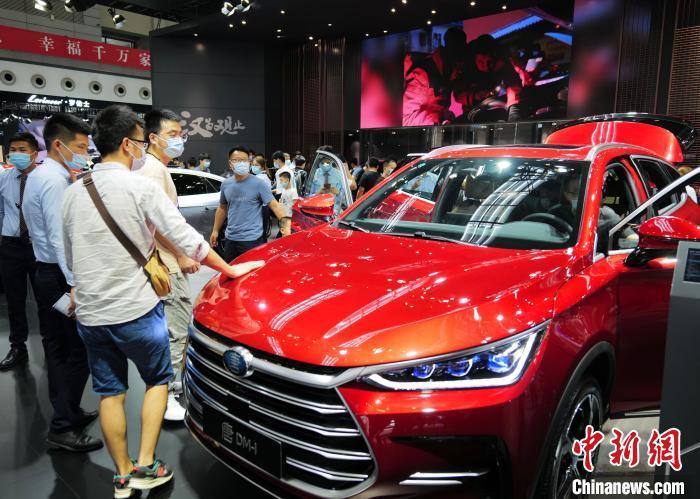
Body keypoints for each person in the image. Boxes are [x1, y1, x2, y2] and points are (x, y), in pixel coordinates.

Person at [62, 105, 265, 498]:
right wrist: (230, 268)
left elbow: (70, 256)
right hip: (137, 310)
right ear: (127, 144)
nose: (143, 148)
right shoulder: (140, 187)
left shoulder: (74, 191)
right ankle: (146, 464)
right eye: (141, 141)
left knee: (109, 392)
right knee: (156, 381)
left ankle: (122, 476)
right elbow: (185, 237)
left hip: (91, 313)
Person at [22, 113, 102, 452]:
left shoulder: (41, 174)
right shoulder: (55, 181)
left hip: (46, 271)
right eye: (80, 147)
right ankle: (63, 427)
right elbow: (60, 238)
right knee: (77, 351)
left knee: (58, 348)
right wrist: (74, 285)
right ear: (59, 145)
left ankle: (67, 412)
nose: (85, 154)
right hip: (59, 275)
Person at [138, 109, 199, 422]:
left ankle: (165, 390)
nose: (179, 140)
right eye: (172, 134)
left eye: (180, 134)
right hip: (166, 264)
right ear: (153, 137)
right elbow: (158, 223)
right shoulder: (152, 170)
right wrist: (182, 254)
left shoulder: (151, 167)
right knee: (177, 328)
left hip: (159, 262)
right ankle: (169, 394)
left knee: (167, 329)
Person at [0, 133, 50, 370]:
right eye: (13, 149)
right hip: (11, 246)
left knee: (45, 299)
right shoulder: (4, 178)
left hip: (38, 246)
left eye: (22, 149)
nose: (16, 154)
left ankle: (50, 345)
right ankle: (17, 346)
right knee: (14, 300)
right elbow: (1, 210)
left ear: (34, 153)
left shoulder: (44, 179)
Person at [211, 146, 290, 262]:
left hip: (252, 239)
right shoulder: (226, 184)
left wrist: (286, 227)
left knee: (251, 271)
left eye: (244, 160)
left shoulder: (259, 184)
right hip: (230, 239)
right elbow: (222, 208)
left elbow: (275, 205)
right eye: (236, 160)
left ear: (249, 162)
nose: (241, 163)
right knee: (231, 269)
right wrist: (215, 230)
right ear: (230, 163)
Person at [403, 27, 470, 126]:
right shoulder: (422, 76)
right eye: (458, 66)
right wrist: (439, 116)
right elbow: (406, 119)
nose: (460, 72)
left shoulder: (447, 74)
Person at [275, 171, 298, 237]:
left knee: (286, 235)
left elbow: (295, 206)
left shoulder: (293, 191)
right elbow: (281, 201)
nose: (280, 182)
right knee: (283, 233)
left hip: (289, 218)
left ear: (287, 180)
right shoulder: (284, 190)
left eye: (281, 180)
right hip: (283, 216)